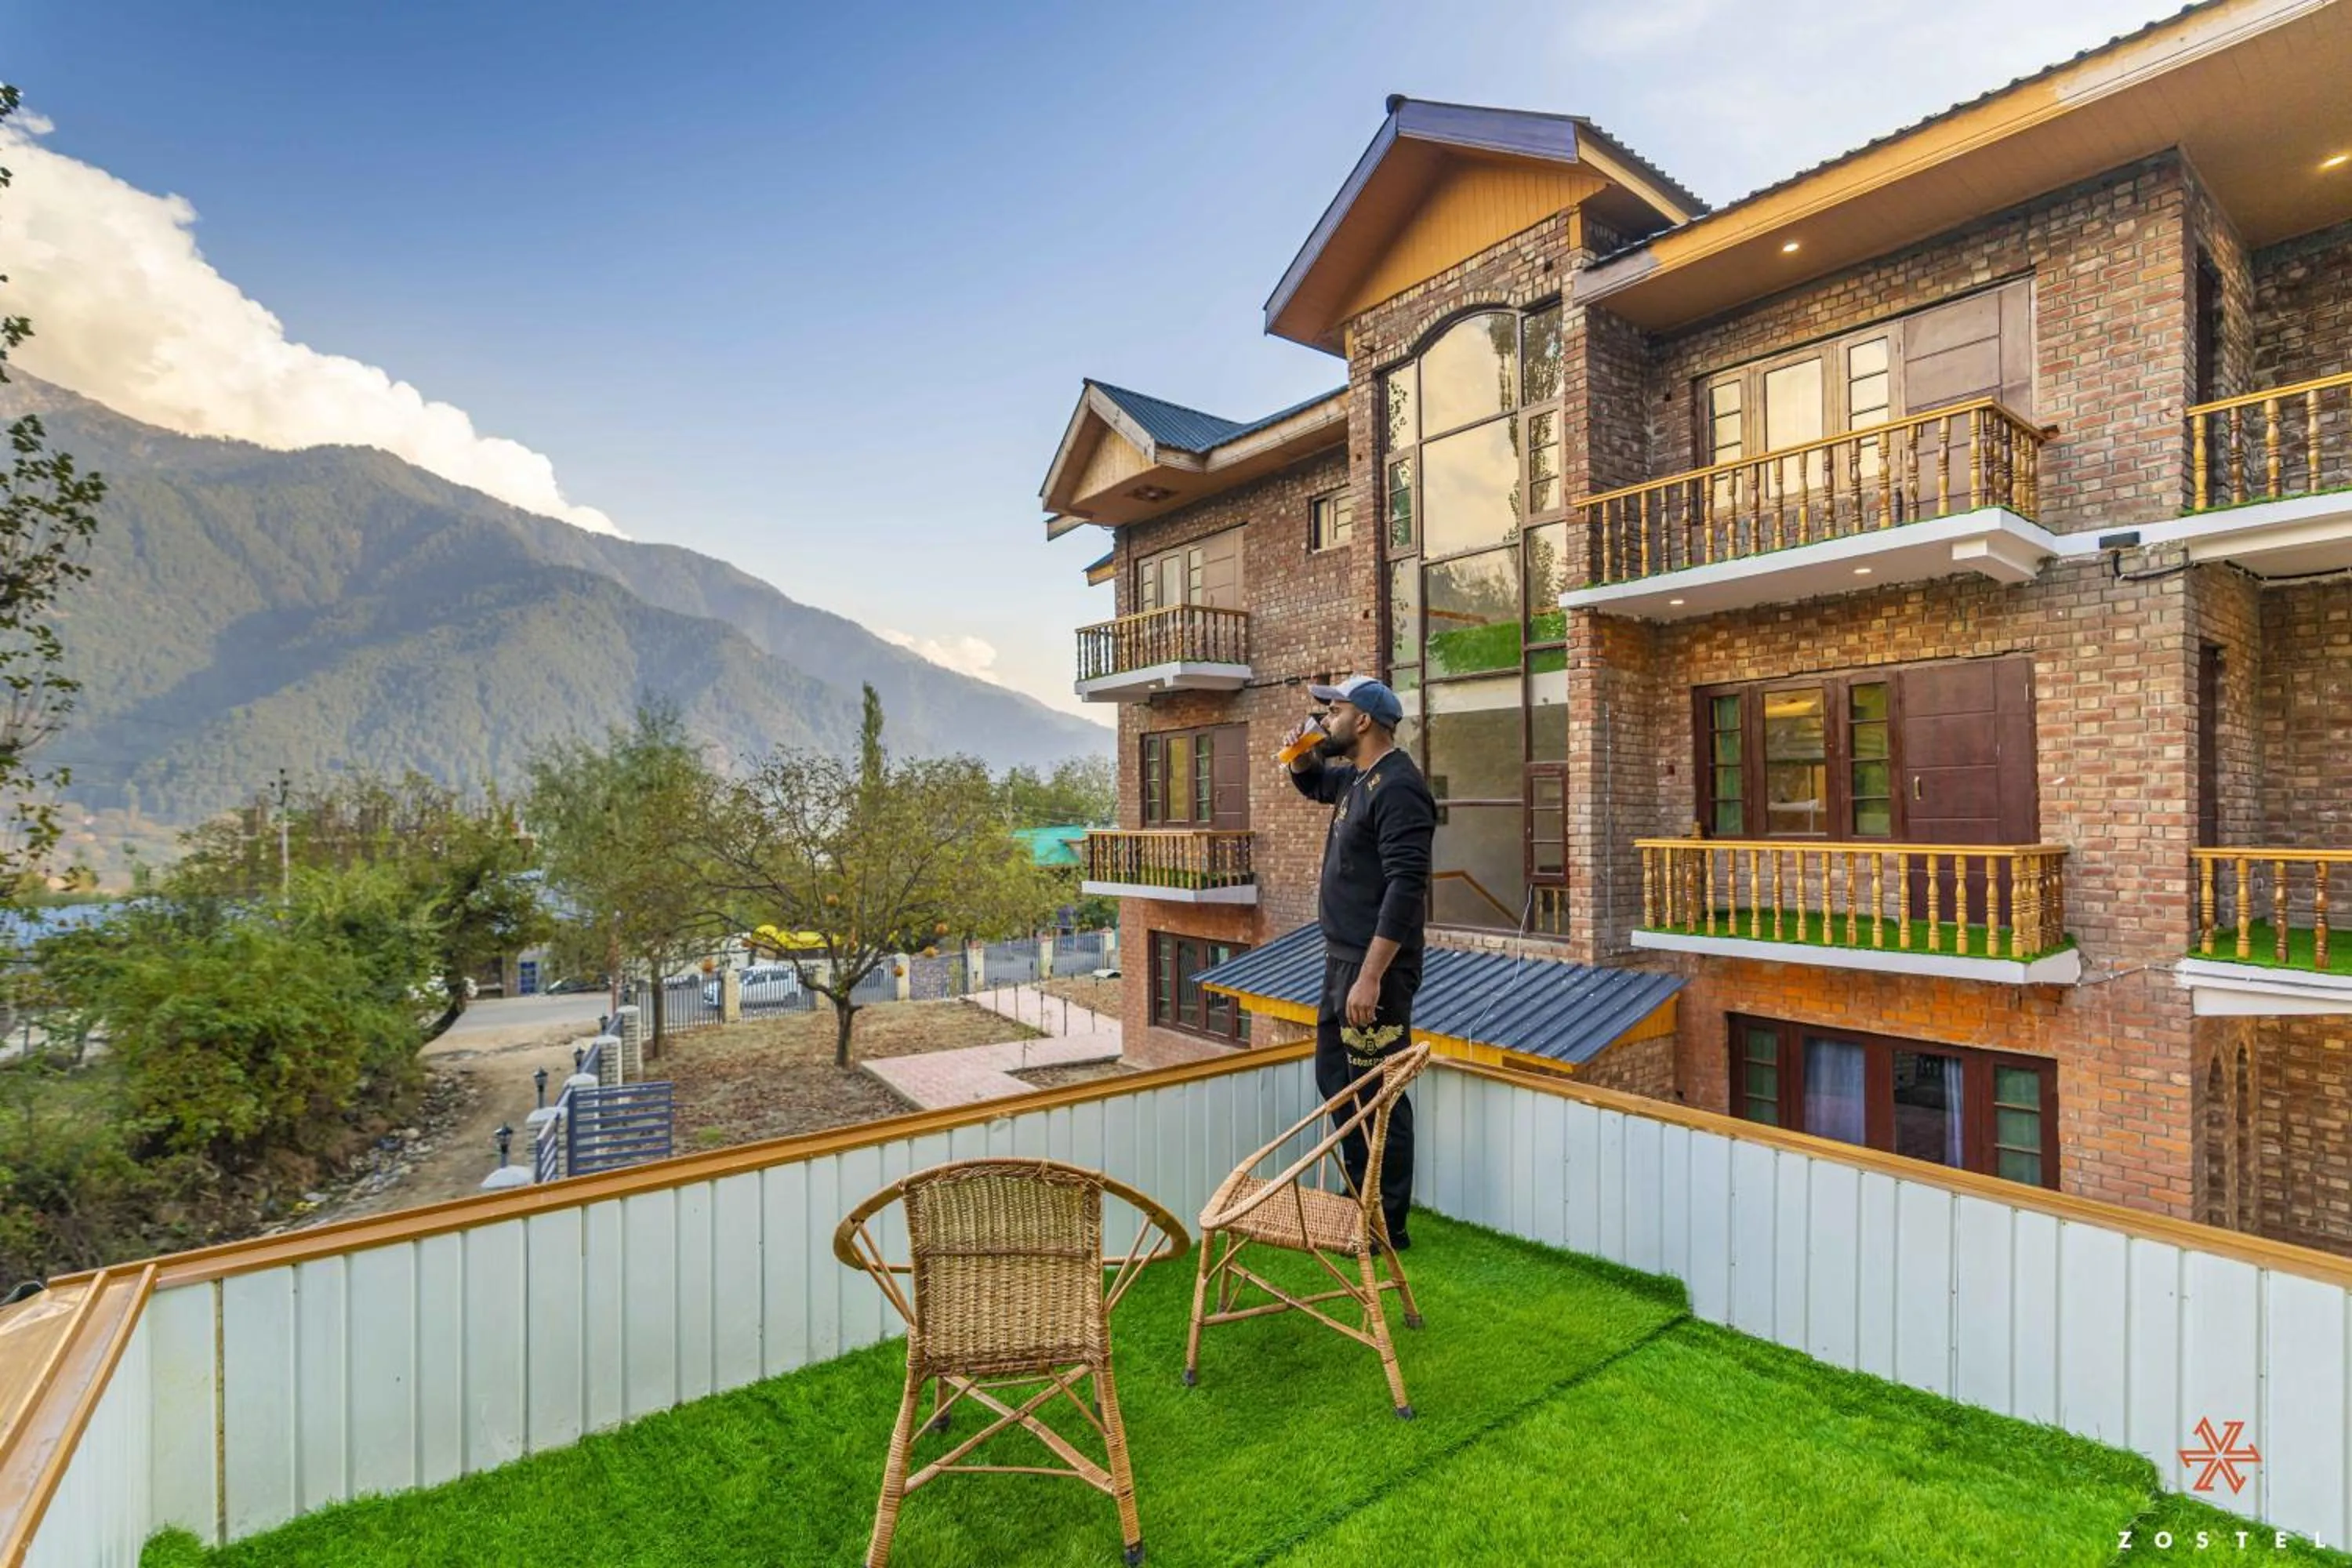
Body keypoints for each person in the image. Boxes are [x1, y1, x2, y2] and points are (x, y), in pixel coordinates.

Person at [1282, 674, 1435, 1249]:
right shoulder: (1358, 778)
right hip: (1341, 962)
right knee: (1337, 1082)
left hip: (1376, 972)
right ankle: (1360, 1202)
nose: (1327, 720)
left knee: (1376, 1094)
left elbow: (1406, 887)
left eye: (1335, 711)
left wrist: (1371, 977)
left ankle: (1386, 1225)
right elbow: (1315, 783)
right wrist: (1302, 758)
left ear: (1364, 720)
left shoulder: (1400, 788)